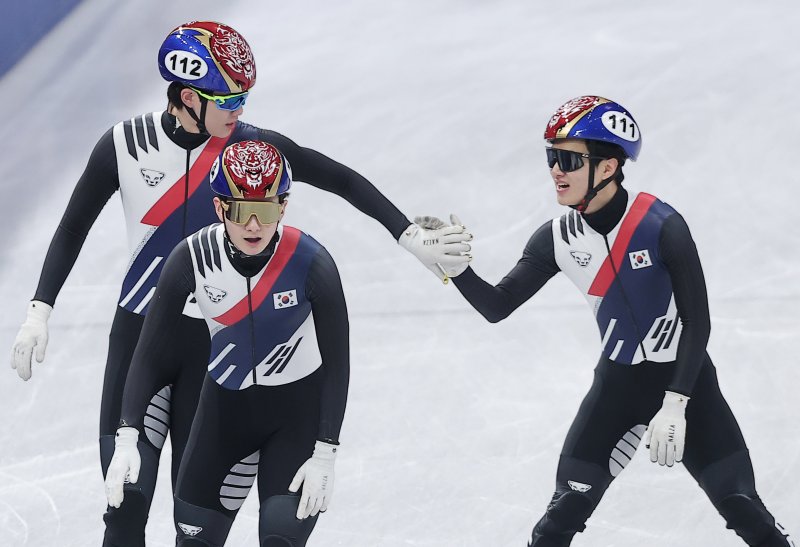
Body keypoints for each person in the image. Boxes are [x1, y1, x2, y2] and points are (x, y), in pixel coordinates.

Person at [8, 21, 468, 547]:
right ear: (186, 97)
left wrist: (408, 235)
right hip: (143, 341)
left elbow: (341, 179)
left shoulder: (249, 154)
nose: (240, 109)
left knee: (196, 530)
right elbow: (71, 228)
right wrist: (39, 310)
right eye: (228, 98)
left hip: (214, 350)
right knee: (124, 508)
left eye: (245, 96)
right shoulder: (123, 145)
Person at [424, 96, 794, 546]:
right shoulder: (557, 239)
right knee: (558, 520)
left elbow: (698, 321)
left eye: (568, 159)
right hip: (616, 388)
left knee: (743, 509)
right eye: (551, 157)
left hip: (687, 382)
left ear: (607, 167)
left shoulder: (661, 225)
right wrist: (453, 269)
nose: (555, 170)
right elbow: (497, 306)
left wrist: (676, 403)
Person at [105, 140, 345, 546]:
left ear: (283, 207)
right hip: (223, 419)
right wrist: (127, 437)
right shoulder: (190, 258)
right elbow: (148, 354)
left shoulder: (311, 262)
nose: (253, 225)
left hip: (294, 422)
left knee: (280, 539)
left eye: (265, 210)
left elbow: (339, 364)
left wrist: (326, 452)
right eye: (239, 210)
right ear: (219, 209)